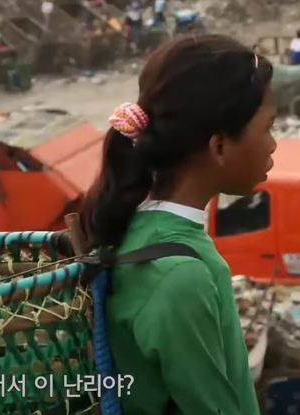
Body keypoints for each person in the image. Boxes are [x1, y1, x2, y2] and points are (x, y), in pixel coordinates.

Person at [79, 34, 275, 414]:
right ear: (219, 146)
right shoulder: (182, 275)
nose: (273, 144)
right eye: (268, 127)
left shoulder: (134, 229)